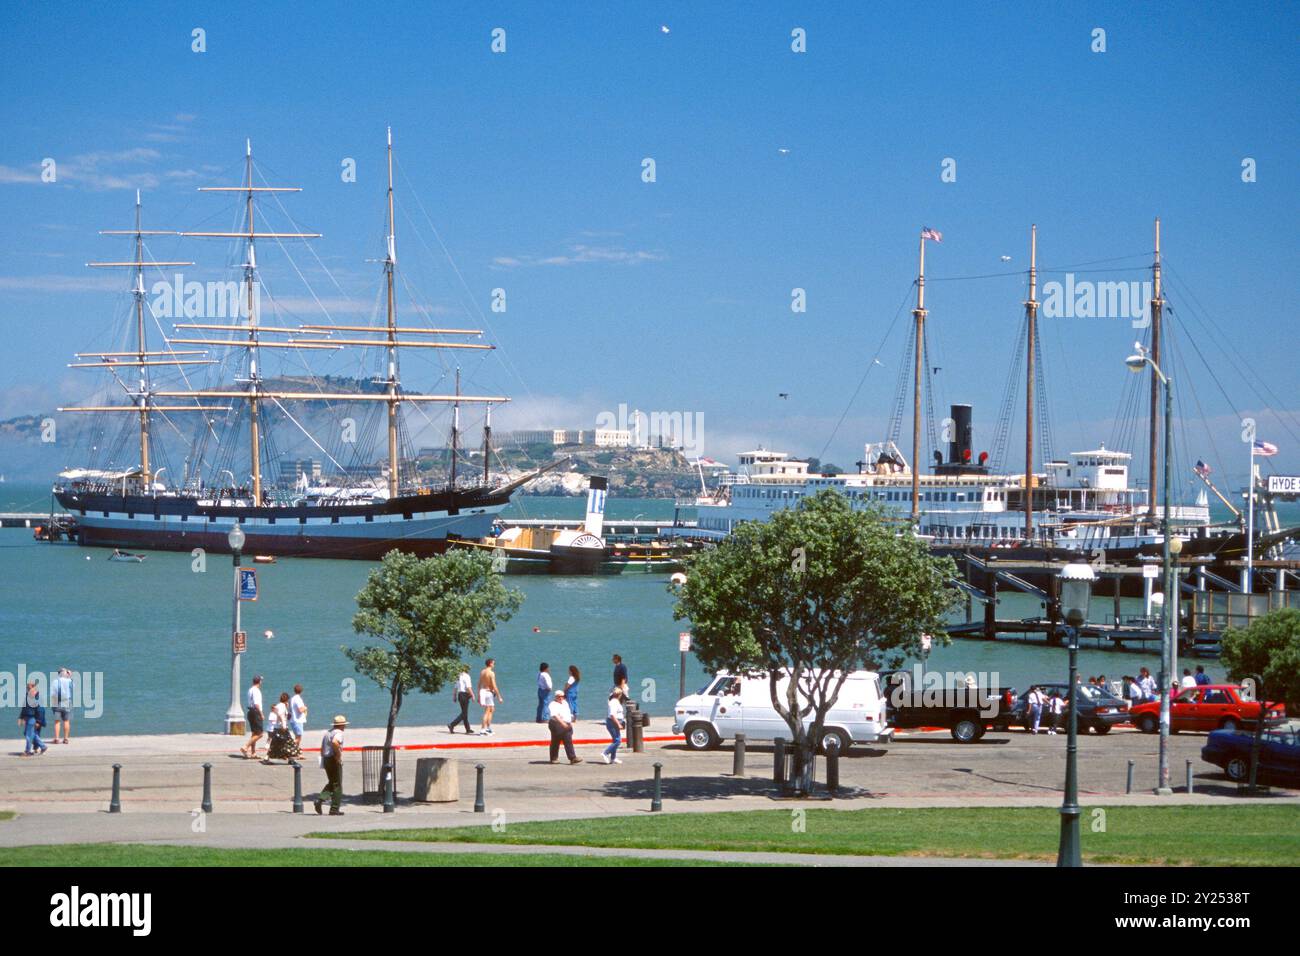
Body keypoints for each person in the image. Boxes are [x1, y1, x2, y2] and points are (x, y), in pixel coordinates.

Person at [314, 715, 348, 816]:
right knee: (337, 785)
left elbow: (322, 747)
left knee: (332, 782)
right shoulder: (339, 733)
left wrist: (323, 759)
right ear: (342, 725)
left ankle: (320, 799)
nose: (345, 727)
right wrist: (338, 755)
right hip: (333, 759)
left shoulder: (328, 732)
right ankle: (334, 809)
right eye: (344, 725)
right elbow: (335, 742)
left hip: (326, 759)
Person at [547, 690, 582, 764]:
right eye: (559, 696)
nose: (561, 698)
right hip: (556, 724)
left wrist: (570, 722)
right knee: (558, 741)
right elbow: (555, 716)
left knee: (565, 740)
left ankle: (571, 758)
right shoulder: (553, 704)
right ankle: (569, 758)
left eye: (562, 696)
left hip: (566, 724)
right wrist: (563, 723)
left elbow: (567, 713)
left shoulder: (565, 703)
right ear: (555, 697)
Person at [18, 682, 48, 756]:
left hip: (33, 718)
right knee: (28, 733)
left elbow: (41, 710)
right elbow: (24, 707)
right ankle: (43, 746)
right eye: (27, 688)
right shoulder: (27, 695)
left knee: (28, 735)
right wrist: (21, 717)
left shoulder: (38, 697)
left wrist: (38, 721)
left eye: (29, 688)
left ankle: (27, 751)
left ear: (34, 687)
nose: (27, 689)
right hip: (27, 717)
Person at [240, 675, 265, 758]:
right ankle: (245, 746)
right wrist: (261, 714)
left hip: (250, 712)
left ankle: (253, 753)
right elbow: (256, 704)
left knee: (254, 733)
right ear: (259, 682)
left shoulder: (250, 690)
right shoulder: (256, 691)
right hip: (255, 712)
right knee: (260, 734)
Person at [478, 658, 502, 735]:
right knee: (487, 711)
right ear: (490, 664)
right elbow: (494, 686)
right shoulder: (491, 673)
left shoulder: (482, 672)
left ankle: (488, 728)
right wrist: (499, 697)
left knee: (491, 709)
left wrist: (479, 695)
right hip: (488, 692)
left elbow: (479, 684)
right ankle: (482, 729)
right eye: (493, 663)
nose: (494, 665)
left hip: (483, 691)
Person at [448, 665, 474, 734]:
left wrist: (454, 696)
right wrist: (473, 695)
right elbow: (468, 687)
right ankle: (452, 725)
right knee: (464, 713)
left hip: (460, 695)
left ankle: (467, 729)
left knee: (464, 712)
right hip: (465, 695)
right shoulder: (467, 676)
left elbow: (455, 687)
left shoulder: (458, 676)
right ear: (467, 670)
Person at [602, 688, 625, 764]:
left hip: (615, 722)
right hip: (612, 723)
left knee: (615, 740)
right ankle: (605, 753)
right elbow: (612, 715)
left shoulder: (616, 702)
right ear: (619, 695)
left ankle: (613, 757)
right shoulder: (614, 702)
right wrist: (618, 724)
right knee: (617, 741)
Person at [51, 667, 73, 744]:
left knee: (57, 721)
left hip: (57, 702)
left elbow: (53, 693)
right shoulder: (69, 681)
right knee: (66, 721)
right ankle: (66, 739)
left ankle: (57, 739)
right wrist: (70, 676)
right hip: (67, 702)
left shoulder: (55, 681)